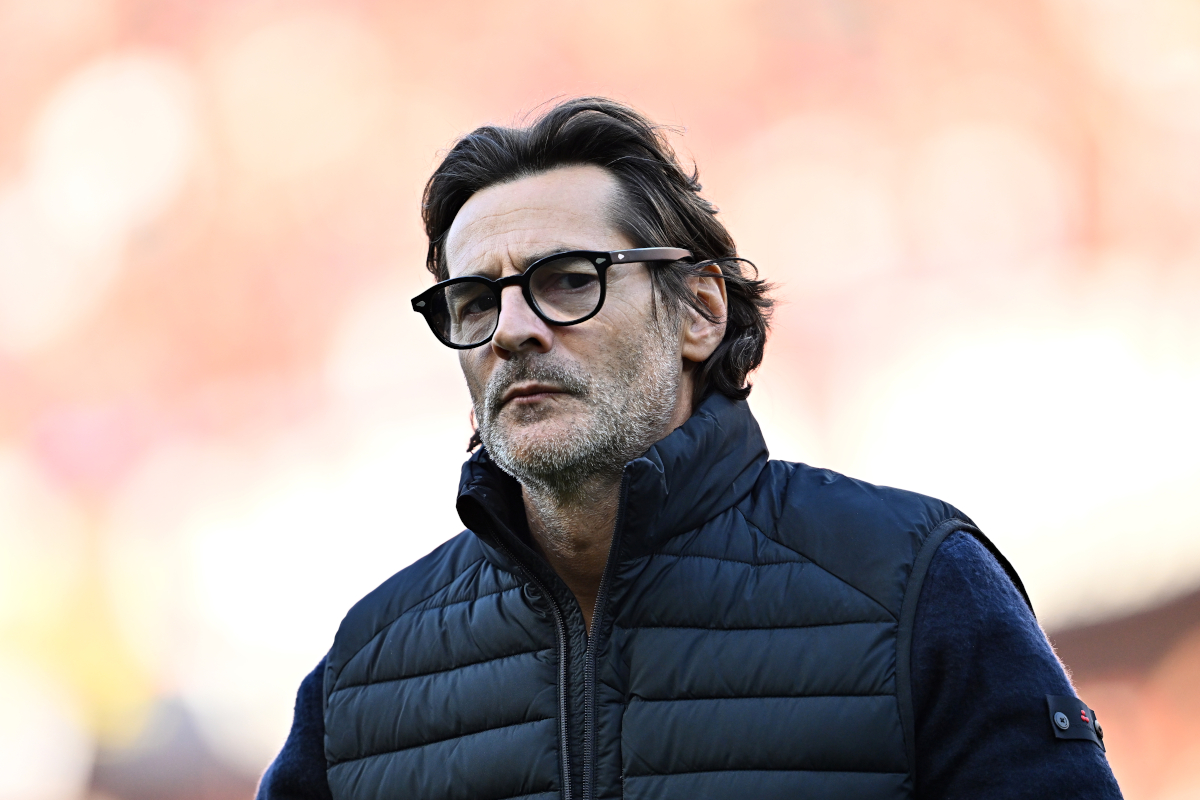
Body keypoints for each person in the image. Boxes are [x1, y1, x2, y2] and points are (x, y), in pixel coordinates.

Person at [257, 97, 1122, 800]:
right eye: (476, 302)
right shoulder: (363, 673)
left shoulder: (916, 584)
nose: (511, 330)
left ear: (701, 311)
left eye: (568, 280)